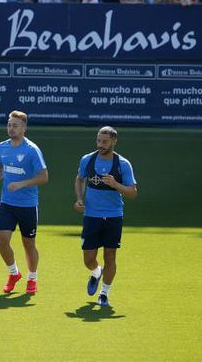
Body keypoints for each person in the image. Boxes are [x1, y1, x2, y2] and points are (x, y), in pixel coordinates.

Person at [0, 111, 49, 295]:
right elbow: (2, 166)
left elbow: (44, 177)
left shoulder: (32, 150)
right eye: (9, 125)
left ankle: (32, 278)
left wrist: (21, 183)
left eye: (15, 125)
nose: (11, 129)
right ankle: (14, 273)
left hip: (28, 205)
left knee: (28, 244)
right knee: (2, 240)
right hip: (7, 203)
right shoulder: (2, 147)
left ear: (24, 128)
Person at [74, 127, 137, 308]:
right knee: (88, 259)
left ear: (114, 142)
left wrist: (115, 184)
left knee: (110, 256)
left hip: (113, 217)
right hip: (92, 216)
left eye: (105, 142)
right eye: (98, 141)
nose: (100, 145)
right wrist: (79, 199)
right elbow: (79, 179)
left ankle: (104, 294)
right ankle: (95, 272)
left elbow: (132, 192)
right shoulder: (87, 160)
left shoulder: (122, 164)